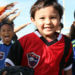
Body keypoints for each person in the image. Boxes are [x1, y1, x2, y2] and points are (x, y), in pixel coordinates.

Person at [5, 0, 72, 75]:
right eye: (42, 18)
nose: (48, 22)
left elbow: (68, 69)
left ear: (60, 19)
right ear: (33, 20)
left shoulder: (66, 42)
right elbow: (9, 67)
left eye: (53, 17)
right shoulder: (23, 42)